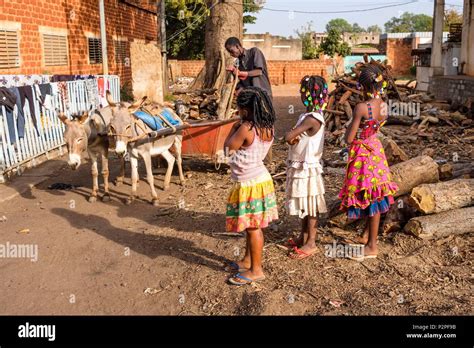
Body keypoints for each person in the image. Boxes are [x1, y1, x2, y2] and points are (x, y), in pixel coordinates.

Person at [338, 65, 398, 260]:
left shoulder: (362, 107)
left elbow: (349, 138)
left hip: (362, 154)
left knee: (369, 196)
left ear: (363, 86)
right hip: (376, 151)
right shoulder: (384, 106)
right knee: (375, 194)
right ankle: (367, 235)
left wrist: (349, 132)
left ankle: (372, 246)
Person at [223, 86, 278, 285]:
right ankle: (248, 260)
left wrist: (233, 127)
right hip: (260, 180)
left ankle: (256, 270)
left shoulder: (245, 129)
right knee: (251, 226)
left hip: (249, 185)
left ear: (245, 111)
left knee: (254, 228)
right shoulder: (267, 127)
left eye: (238, 109)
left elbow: (228, 150)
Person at [284, 76, 328, 259]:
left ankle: (311, 242)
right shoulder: (306, 116)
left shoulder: (313, 119)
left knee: (311, 206)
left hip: (308, 168)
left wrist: (291, 136)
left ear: (307, 95)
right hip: (301, 166)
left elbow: (289, 136)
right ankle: (303, 236)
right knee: (304, 203)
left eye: (302, 92)